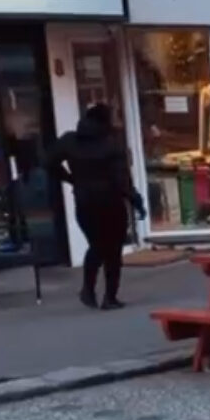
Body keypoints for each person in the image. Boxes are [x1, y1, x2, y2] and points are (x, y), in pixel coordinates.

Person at [48, 103, 143, 309]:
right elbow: (121, 180)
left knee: (97, 246)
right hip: (110, 202)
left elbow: (48, 162)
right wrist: (135, 200)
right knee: (113, 250)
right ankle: (110, 297)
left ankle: (88, 290)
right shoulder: (110, 144)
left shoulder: (69, 141)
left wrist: (71, 179)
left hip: (84, 202)